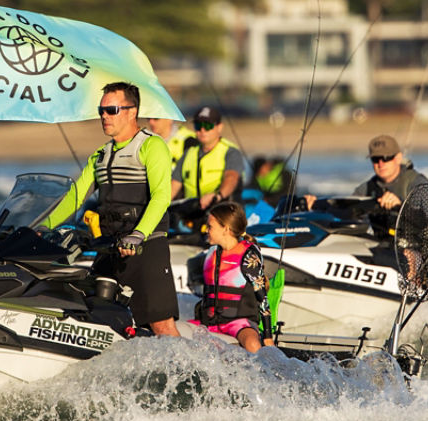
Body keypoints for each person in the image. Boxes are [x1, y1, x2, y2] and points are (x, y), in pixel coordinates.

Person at [46, 82, 181, 338]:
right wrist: (42, 226)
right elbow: (74, 196)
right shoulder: (100, 155)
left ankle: (192, 376)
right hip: (110, 248)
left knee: (161, 325)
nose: (105, 116)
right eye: (101, 111)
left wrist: (138, 234)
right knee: (93, 314)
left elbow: (162, 196)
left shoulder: (151, 146)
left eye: (112, 110)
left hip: (146, 245)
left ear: (132, 111)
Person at [187, 200, 274, 353]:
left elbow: (262, 298)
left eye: (210, 227)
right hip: (208, 323)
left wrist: (267, 336)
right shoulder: (212, 252)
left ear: (225, 229)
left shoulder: (248, 255)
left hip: (239, 324)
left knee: (252, 344)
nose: (206, 230)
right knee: (170, 333)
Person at [173, 105, 245, 209]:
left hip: (221, 211)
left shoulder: (230, 152)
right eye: (198, 126)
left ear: (219, 127)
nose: (202, 130)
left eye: (207, 126)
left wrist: (218, 196)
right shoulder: (188, 153)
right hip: (192, 213)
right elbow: (174, 186)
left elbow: (231, 177)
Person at [352, 135, 428, 213]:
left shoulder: (418, 185)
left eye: (386, 158)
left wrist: (400, 206)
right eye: (375, 159)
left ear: (398, 158)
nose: (380, 164)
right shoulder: (365, 189)